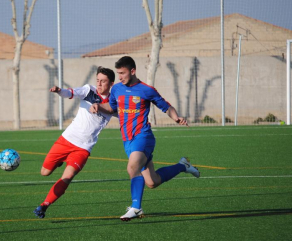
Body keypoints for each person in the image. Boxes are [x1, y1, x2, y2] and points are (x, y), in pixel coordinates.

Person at [90, 56, 200, 221]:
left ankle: (136, 207)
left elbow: (166, 106)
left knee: (132, 167)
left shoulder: (147, 90)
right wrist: (99, 106)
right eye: (118, 73)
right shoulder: (117, 89)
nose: (119, 77)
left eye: (122, 73)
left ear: (132, 71)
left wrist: (176, 117)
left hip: (143, 136)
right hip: (127, 140)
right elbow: (112, 107)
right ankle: (182, 166)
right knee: (152, 182)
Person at [33, 66, 116, 218]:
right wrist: (59, 90)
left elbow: (126, 115)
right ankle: (59, 161)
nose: (99, 84)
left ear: (111, 83)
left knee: (67, 177)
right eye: (98, 80)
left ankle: (44, 205)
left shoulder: (114, 102)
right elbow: (70, 93)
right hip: (66, 139)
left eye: (103, 81)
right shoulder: (88, 90)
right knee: (44, 172)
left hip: (83, 148)